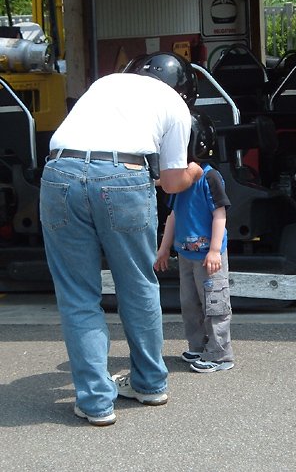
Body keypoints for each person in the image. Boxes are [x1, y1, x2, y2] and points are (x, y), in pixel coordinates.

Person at [39, 52, 203, 426]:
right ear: (183, 88)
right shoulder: (175, 105)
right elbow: (172, 182)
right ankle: (149, 384)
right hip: (124, 175)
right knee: (138, 285)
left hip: (61, 171)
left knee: (78, 294)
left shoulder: (106, 82)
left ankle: (96, 402)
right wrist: (194, 171)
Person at [154, 111, 234, 373]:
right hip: (186, 255)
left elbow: (220, 214)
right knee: (190, 304)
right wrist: (164, 249)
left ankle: (220, 355)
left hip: (208, 258)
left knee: (215, 305)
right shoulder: (179, 181)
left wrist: (214, 250)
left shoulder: (210, 177)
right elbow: (174, 215)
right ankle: (198, 346)